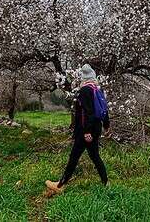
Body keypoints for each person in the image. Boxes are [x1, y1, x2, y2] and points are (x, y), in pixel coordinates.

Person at [46, 64, 110, 192]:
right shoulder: (98, 90)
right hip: (96, 127)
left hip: (86, 130)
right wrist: (106, 125)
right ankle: (106, 183)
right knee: (94, 155)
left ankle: (60, 185)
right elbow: (104, 109)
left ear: (83, 78)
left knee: (74, 156)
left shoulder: (85, 91)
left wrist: (86, 131)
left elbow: (87, 113)